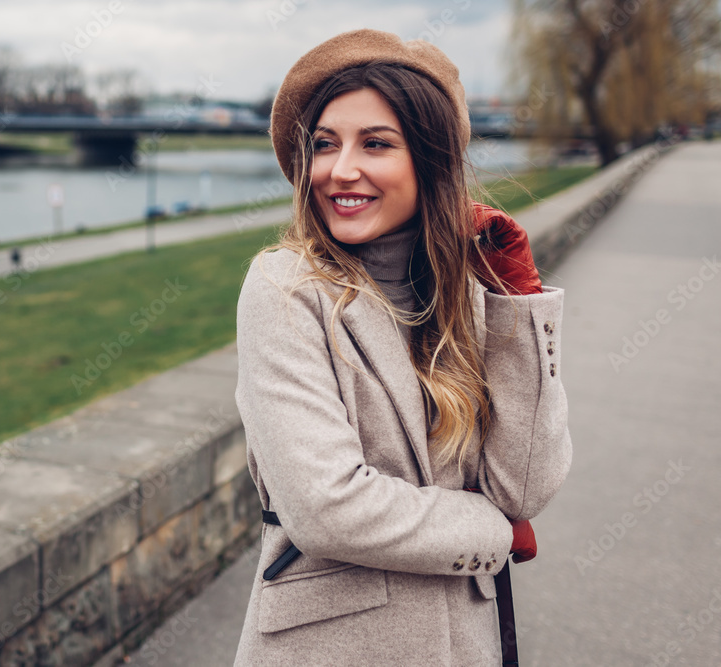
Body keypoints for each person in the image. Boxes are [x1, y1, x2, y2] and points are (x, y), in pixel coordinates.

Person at [233, 29, 572, 665]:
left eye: (377, 144)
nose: (340, 170)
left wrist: (518, 305)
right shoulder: (284, 290)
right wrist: (489, 531)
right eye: (326, 145)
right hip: (331, 645)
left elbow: (523, 486)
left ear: (431, 160)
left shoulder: (469, 299)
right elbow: (327, 508)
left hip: (466, 645)